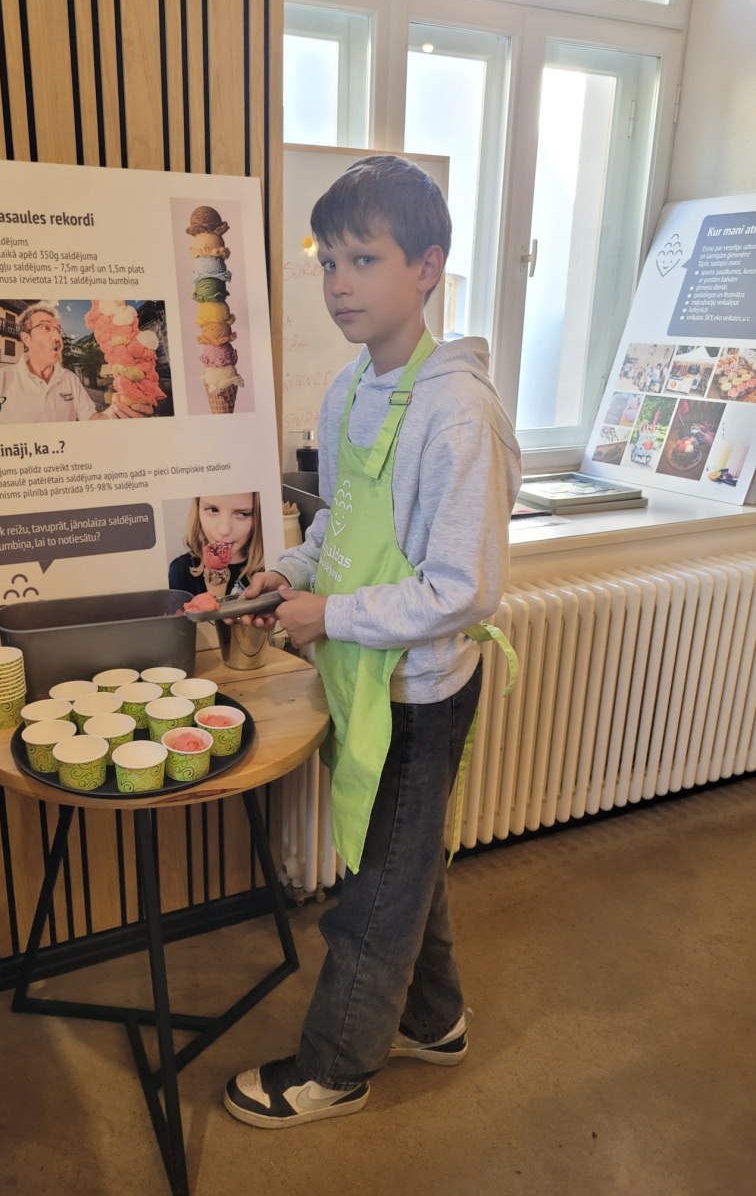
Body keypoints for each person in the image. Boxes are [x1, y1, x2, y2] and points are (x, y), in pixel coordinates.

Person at [223, 155, 522, 1128]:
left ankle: (336, 1068)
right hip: (360, 674)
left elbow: (463, 589)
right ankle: (433, 1022)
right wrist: (290, 577)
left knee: (374, 890)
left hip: (421, 693)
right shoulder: (352, 386)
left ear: (427, 267)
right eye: (329, 262)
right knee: (402, 865)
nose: (339, 284)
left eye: (365, 259)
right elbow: (337, 524)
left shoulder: (459, 412)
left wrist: (330, 617)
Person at [0, 301, 147, 424]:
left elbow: (91, 418)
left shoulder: (70, 380)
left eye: (58, 330)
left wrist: (113, 414)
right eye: (46, 328)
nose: (57, 336)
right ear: (27, 339)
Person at [167, 492, 264, 599]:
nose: (224, 530)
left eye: (242, 514)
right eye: (213, 510)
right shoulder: (181, 570)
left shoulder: (270, 570)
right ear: (197, 511)